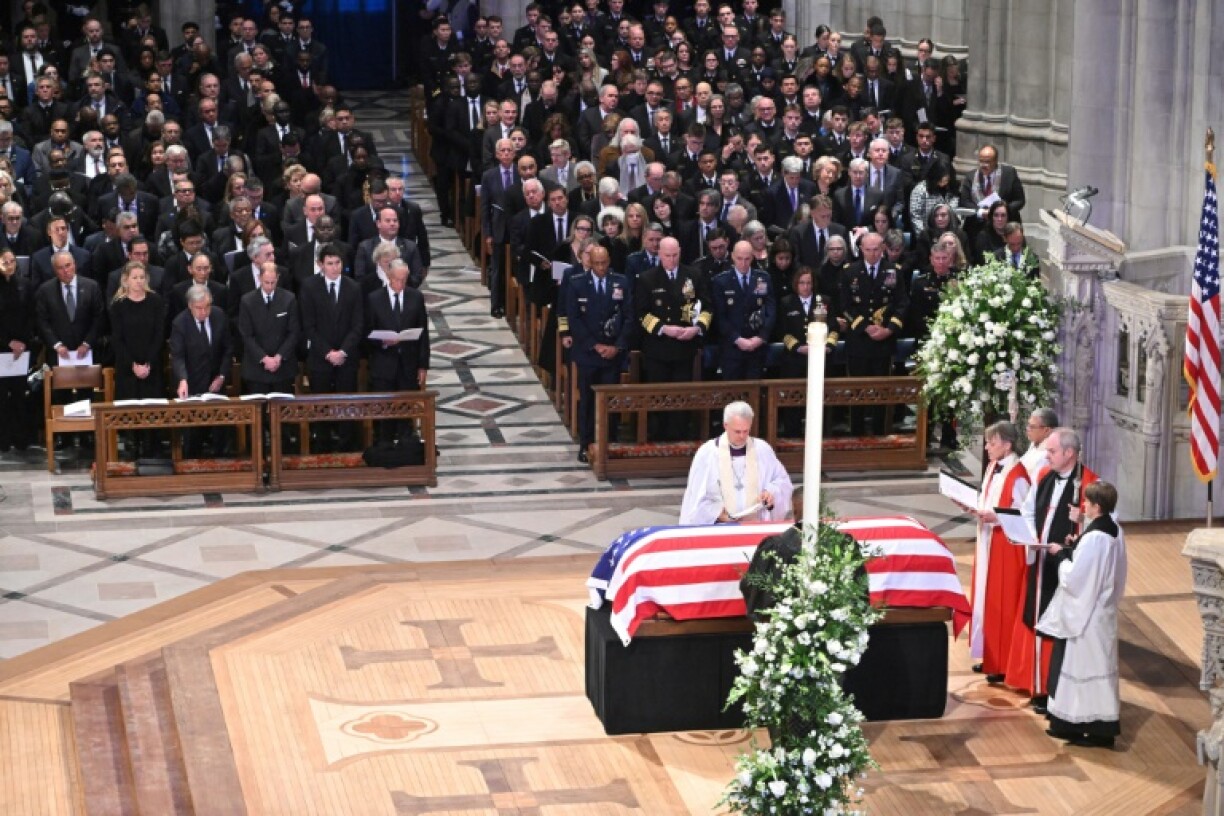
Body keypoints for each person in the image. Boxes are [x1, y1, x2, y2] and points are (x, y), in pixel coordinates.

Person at [1005, 427, 1098, 709]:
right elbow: (1029, 510)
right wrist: (1031, 537)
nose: (1047, 456)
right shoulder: (1045, 476)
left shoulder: (1091, 483)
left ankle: (1056, 691)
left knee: (1058, 626)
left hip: (1068, 567)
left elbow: (1104, 527)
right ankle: (1038, 684)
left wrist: (1081, 519)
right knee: (1038, 617)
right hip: (1042, 559)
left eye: (1052, 451)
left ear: (1070, 453)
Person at [1037, 480, 1127, 749]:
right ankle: (1088, 727)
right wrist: (1076, 546)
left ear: (1097, 507)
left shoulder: (1097, 537)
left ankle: (1083, 728)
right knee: (1095, 670)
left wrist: (1061, 556)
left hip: (1087, 618)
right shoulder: (1113, 530)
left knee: (1081, 669)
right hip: (1101, 613)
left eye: (1087, 502)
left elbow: (1077, 579)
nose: (1083, 506)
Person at [960, 421, 1031, 683]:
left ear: (1007, 445)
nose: (987, 447)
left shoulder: (1019, 474)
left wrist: (996, 517)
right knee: (985, 599)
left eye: (992, 442)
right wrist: (974, 506)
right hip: (988, 541)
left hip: (1005, 548)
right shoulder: (992, 466)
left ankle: (1002, 663)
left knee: (1002, 601)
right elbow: (988, 498)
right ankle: (990, 656)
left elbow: (1027, 515)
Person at [680, 401, 793, 525]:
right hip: (720, 527)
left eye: (746, 431)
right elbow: (696, 498)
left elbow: (782, 481)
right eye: (737, 431)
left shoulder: (762, 450)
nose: (742, 436)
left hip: (755, 524)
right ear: (725, 425)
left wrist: (770, 492)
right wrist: (717, 513)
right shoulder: (708, 453)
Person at [567, 244, 631, 463]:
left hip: (613, 354)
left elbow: (629, 317)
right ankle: (586, 444)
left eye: (605, 263)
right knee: (587, 400)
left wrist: (617, 346)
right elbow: (574, 319)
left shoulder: (621, 282)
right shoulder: (577, 284)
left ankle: (609, 443)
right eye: (597, 263)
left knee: (610, 400)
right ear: (590, 263)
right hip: (588, 354)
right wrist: (595, 345)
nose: (602, 267)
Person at [365, 260, 430, 445]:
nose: (400, 284)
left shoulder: (415, 297)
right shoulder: (374, 299)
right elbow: (366, 333)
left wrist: (423, 365)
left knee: (406, 408)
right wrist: (383, 342)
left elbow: (423, 334)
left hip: (408, 364)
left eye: (404, 280)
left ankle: (405, 446)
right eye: (397, 279)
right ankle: (384, 446)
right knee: (385, 410)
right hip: (383, 364)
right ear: (389, 276)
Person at [1022, 408, 1058, 481]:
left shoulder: (1049, 453)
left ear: (1047, 430)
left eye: (1032, 427)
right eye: (1028, 425)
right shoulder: (1034, 445)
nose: (1028, 429)